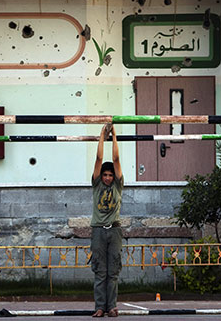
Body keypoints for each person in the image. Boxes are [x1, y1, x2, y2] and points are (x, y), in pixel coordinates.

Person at [91, 123, 123, 318]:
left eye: (111, 175)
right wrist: (103, 135)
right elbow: (99, 158)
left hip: (115, 230)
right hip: (98, 230)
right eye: (106, 174)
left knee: (113, 272)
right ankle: (99, 307)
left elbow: (116, 159)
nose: (108, 178)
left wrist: (115, 135)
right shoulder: (96, 185)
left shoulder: (118, 186)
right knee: (100, 271)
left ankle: (112, 306)